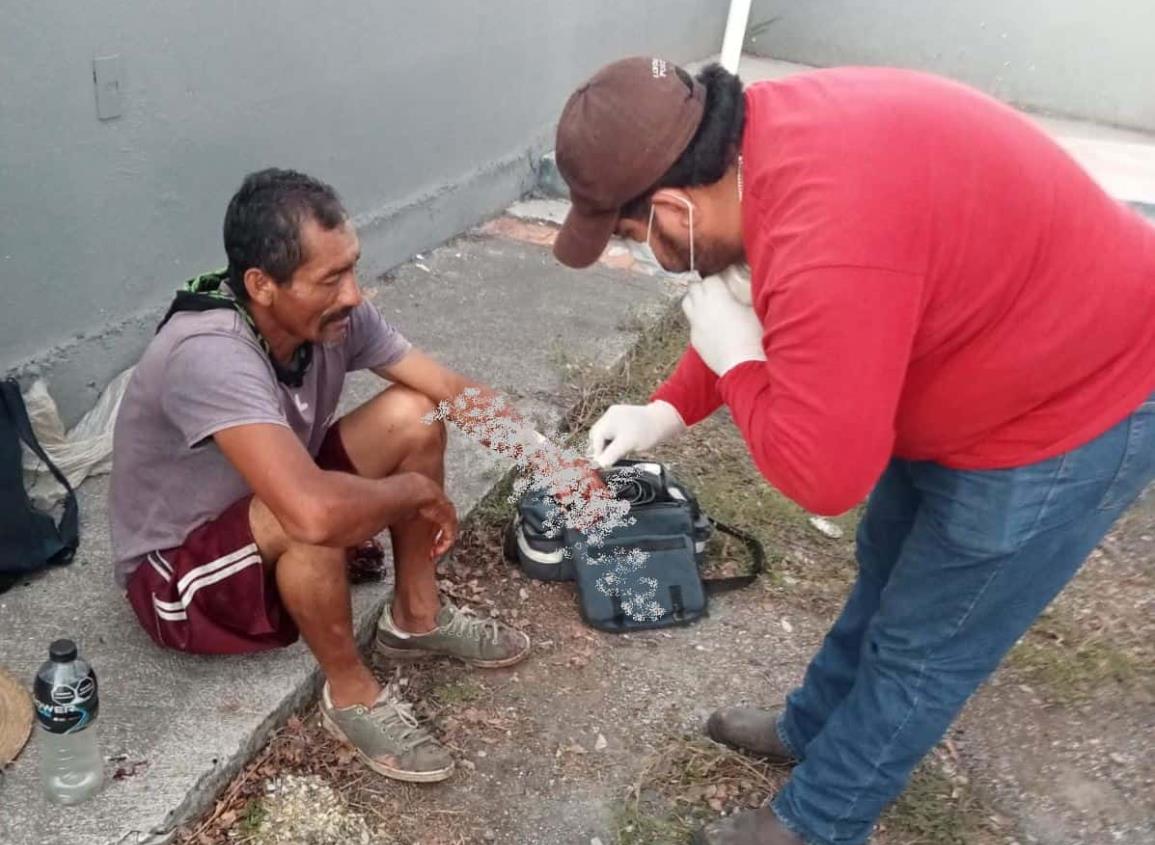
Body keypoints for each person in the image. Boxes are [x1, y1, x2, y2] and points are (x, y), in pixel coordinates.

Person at [552, 57, 1155, 844]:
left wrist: (738, 366)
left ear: (673, 203)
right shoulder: (757, 149)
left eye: (634, 235)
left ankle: (817, 822)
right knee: (885, 564)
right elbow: (771, 314)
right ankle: (812, 725)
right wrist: (665, 408)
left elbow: (823, 473)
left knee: (926, 644)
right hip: (977, 349)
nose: (642, 250)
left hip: (1070, 406)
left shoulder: (831, 231)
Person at [109, 168, 595, 783]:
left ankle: (417, 619)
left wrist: (551, 463)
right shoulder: (208, 352)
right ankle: (351, 692)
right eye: (331, 278)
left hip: (269, 500)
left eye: (353, 267)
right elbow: (311, 511)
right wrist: (413, 492)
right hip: (177, 577)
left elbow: (447, 390)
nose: (354, 293)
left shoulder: (333, 318)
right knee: (313, 522)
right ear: (261, 285)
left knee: (417, 413)